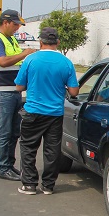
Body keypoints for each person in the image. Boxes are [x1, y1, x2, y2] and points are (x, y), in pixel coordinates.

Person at [14, 27, 79, 195]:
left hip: (33, 111)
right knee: (52, 150)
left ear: (40, 42)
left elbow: (19, 86)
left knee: (28, 147)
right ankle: (48, 185)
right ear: (57, 42)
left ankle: (29, 185)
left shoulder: (30, 60)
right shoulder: (66, 62)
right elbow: (74, 92)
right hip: (55, 114)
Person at [0, 9, 35, 181]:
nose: (17, 29)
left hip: (14, 92)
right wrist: (24, 54)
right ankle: (3, 167)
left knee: (14, 131)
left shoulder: (10, 39)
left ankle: (10, 165)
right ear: (5, 22)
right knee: (4, 132)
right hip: (2, 94)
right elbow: (3, 61)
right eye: (15, 25)